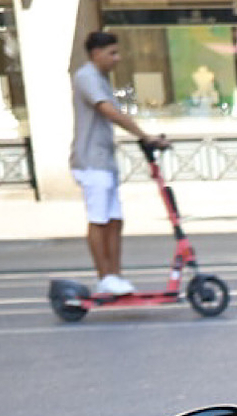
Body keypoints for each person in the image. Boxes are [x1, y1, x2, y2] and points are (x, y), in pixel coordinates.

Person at [69, 31, 165, 299]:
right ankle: (105, 278)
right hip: (91, 161)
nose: (117, 58)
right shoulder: (87, 76)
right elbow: (108, 111)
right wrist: (143, 135)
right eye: (112, 53)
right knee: (99, 220)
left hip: (104, 161)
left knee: (114, 220)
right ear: (96, 54)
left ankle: (115, 276)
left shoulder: (100, 78)